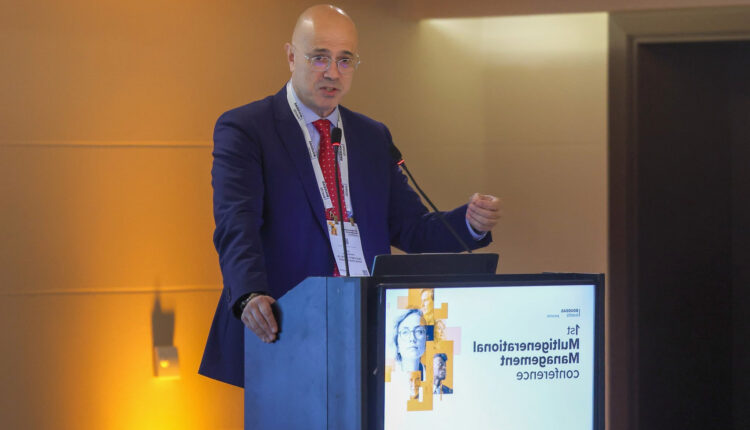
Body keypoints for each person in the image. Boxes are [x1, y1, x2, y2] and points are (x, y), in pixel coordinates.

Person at [199, 4, 502, 387]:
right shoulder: (248, 128)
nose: (332, 72)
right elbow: (236, 224)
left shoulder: (372, 137)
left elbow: (411, 228)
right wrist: (249, 294)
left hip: (364, 331)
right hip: (284, 328)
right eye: (319, 57)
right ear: (291, 56)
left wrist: (469, 225)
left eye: (345, 60)